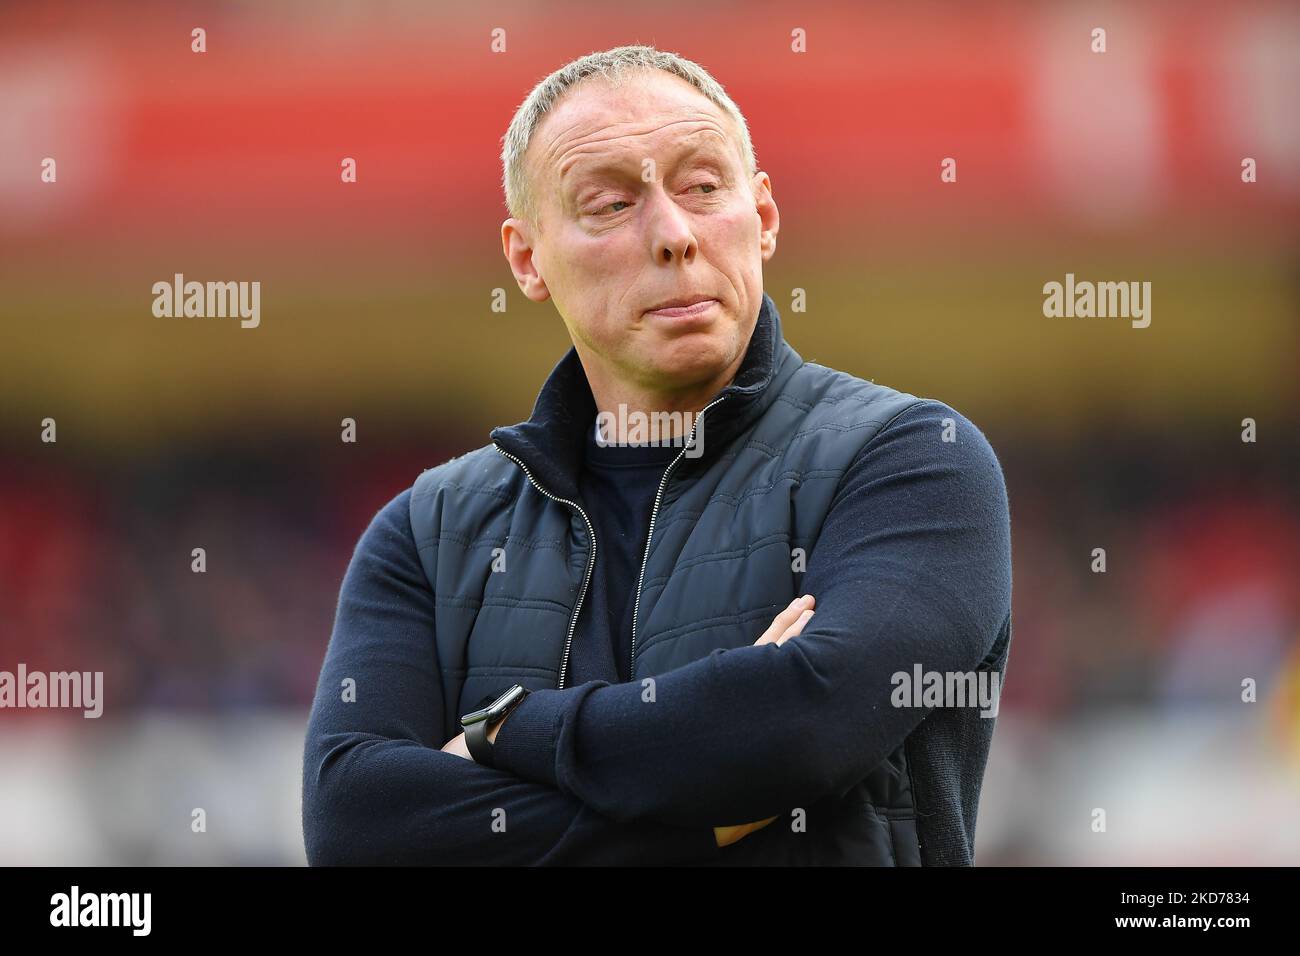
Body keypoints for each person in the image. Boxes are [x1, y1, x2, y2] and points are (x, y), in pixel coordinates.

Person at [302, 44, 1012, 866]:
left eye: (704, 188)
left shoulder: (913, 462)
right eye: (610, 203)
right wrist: (709, 805)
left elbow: (804, 724)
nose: (674, 234)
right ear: (526, 257)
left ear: (765, 217)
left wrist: (504, 728)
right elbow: (357, 826)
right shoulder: (427, 534)